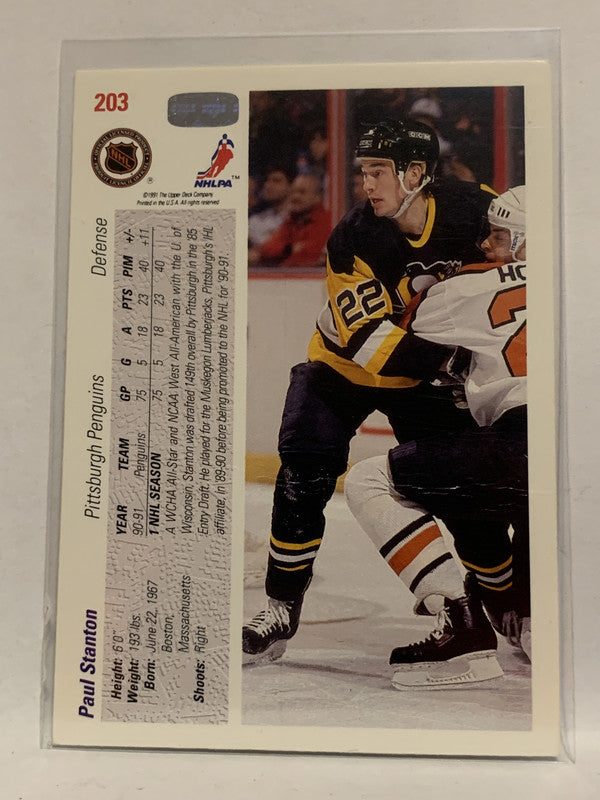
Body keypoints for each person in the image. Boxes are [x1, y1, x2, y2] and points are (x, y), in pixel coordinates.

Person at [242, 119, 497, 665]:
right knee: (302, 474)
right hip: (341, 368)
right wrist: (452, 360)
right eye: (364, 171)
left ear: (415, 173)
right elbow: (364, 339)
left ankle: (506, 606)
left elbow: (517, 257)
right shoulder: (353, 236)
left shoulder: (474, 207)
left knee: (466, 491)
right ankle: (281, 606)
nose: (367, 183)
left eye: (379, 171)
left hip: (423, 374)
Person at [344, 186, 529, 689]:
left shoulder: (463, 288)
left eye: (498, 236)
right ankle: (536, 623)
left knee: (368, 481)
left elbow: (377, 336)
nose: (485, 245)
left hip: (516, 444)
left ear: (526, 244)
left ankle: (461, 622)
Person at [248, 172, 331, 268]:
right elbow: (266, 249)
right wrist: (289, 249)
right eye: (293, 192)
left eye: (302, 192)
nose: (295, 197)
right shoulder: (291, 219)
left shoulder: (327, 220)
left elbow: (309, 257)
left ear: (318, 197)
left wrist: (280, 259)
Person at [248, 166, 294, 249]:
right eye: (267, 181)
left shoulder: (298, 218)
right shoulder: (255, 220)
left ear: (291, 186)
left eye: (276, 181)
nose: (268, 186)